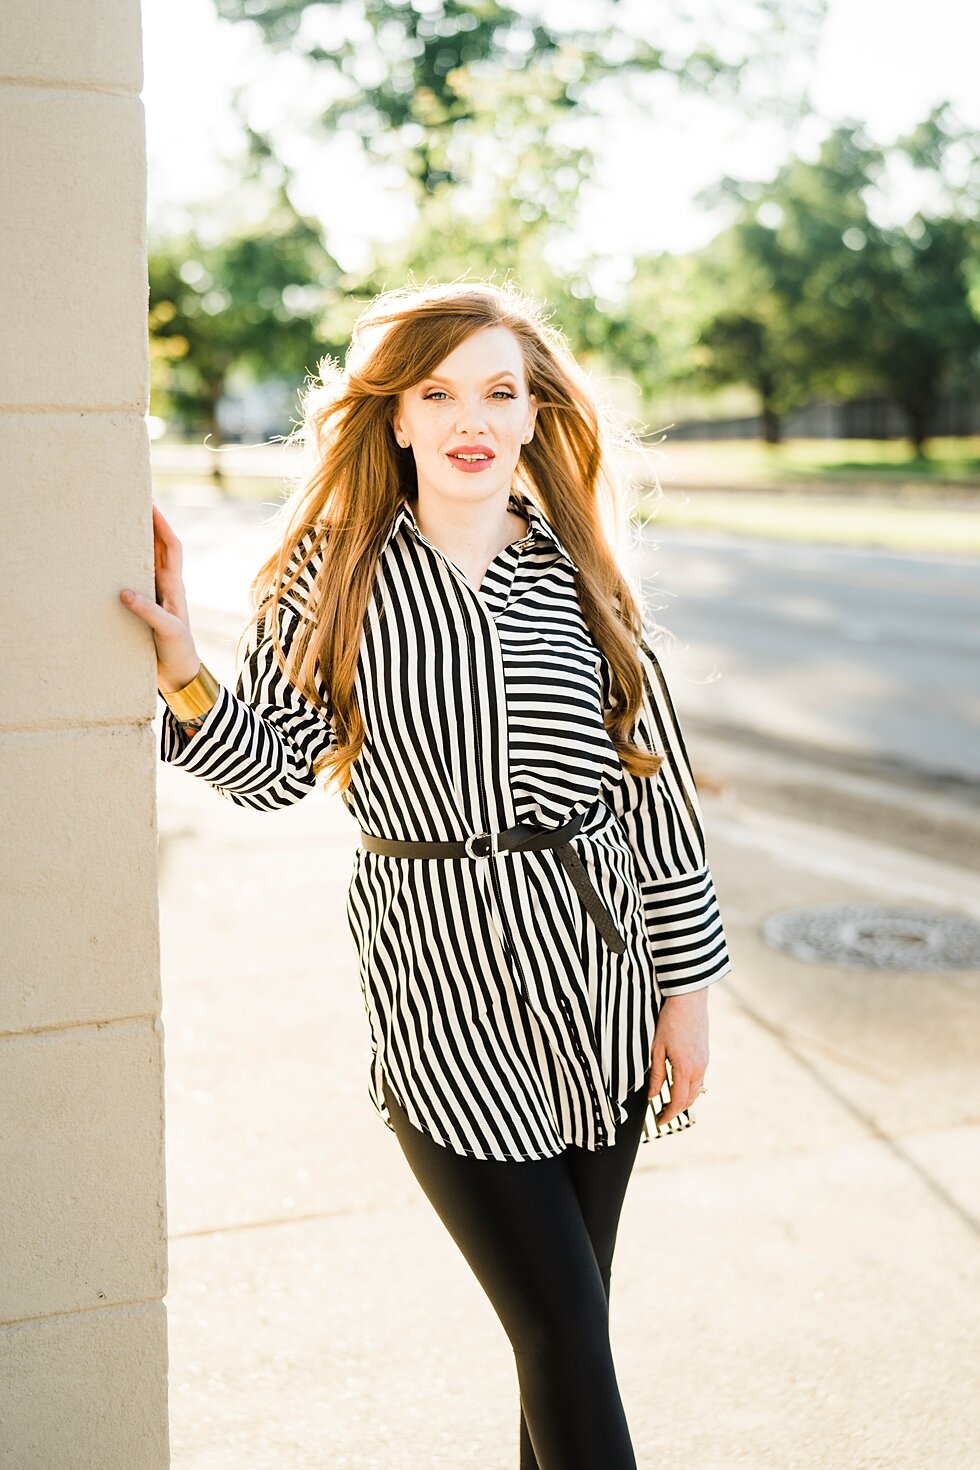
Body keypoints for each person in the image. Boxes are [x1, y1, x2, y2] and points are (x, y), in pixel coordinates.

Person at [120, 279, 733, 1469]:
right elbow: (267, 771)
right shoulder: (333, 577)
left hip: (598, 1000)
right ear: (393, 416)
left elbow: (655, 804)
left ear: (531, 415)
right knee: (562, 1331)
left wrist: (686, 993)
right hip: (443, 1008)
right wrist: (186, 670)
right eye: (437, 390)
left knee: (562, 1341)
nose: (470, 417)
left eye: (498, 391)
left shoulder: (583, 580)